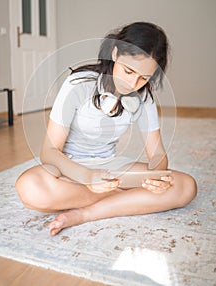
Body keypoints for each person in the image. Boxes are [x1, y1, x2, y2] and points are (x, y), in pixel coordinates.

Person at [16, 22, 197, 236]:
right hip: (70, 169)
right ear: (115, 53)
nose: (133, 83)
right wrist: (87, 177)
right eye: (128, 71)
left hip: (111, 169)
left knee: (186, 186)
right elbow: (49, 152)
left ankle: (85, 214)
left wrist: (156, 177)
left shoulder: (144, 97)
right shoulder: (78, 84)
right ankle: (126, 197)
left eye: (144, 78)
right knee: (30, 186)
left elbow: (157, 154)